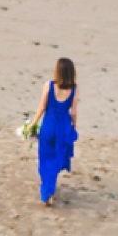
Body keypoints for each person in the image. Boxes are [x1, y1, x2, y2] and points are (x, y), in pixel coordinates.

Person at [29, 57, 79, 205]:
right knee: (56, 157)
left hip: (48, 126)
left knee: (45, 158)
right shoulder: (74, 89)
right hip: (63, 128)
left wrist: (33, 123)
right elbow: (74, 112)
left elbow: (42, 107)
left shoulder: (49, 86)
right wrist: (73, 127)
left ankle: (47, 191)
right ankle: (49, 189)